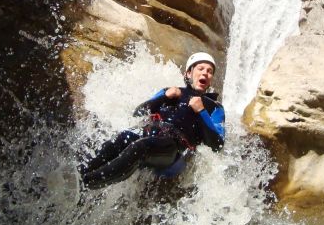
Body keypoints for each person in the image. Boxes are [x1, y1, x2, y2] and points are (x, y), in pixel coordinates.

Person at [79, 52, 226, 189]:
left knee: (141, 147)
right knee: (125, 137)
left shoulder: (214, 107)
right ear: (188, 73)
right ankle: (82, 177)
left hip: (173, 149)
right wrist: (164, 97)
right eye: (201, 68)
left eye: (210, 71)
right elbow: (138, 113)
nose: (205, 73)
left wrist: (201, 111)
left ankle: (89, 183)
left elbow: (217, 144)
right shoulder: (170, 91)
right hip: (149, 133)